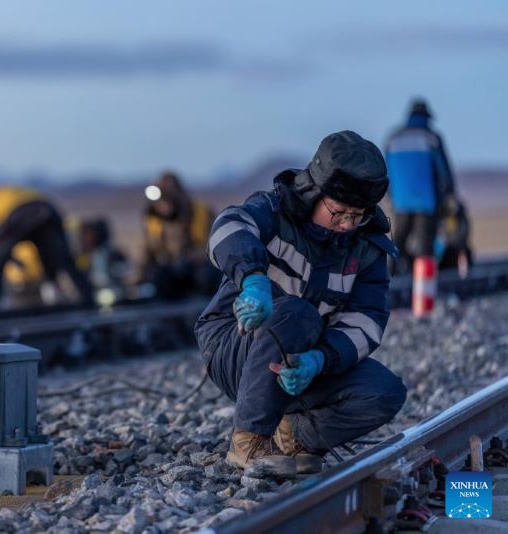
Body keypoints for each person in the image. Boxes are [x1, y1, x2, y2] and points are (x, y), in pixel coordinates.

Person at [194, 131, 407, 477]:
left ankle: (292, 435)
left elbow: (365, 323)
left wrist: (319, 359)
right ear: (314, 193)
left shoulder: (367, 250)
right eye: (338, 212)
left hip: (300, 361)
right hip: (235, 347)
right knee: (298, 313)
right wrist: (253, 279)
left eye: (358, 215)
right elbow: (226, 227)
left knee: (384, 392)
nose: (346, 225)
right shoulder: (273, 211)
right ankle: (248, 442)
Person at [0, 186, 94, 307]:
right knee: (62, 258)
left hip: (24, 212)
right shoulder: (1, 195)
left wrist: (0, 251)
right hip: (49, 210)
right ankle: (87, 300)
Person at [385, 99, 455, 274]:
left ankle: (391, 278)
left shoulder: (393, 138)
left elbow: (386, 172)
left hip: (400, 201)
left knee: (399, 240)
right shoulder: (431, 138)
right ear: (426, 117)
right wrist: (448, 193)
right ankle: (423, 285)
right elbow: (443, 170)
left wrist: (392, 196)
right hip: (426, 200)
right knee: (425, 245)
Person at [141, 171, 220, 299]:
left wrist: (193, 257)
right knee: (156, 277)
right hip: (171, 272)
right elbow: (148, 250)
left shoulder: (201, 213)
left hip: (199, 269)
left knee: (206, 275)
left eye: (167, 198)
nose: (163, 205)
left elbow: (216, 245)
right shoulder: (154, 219)